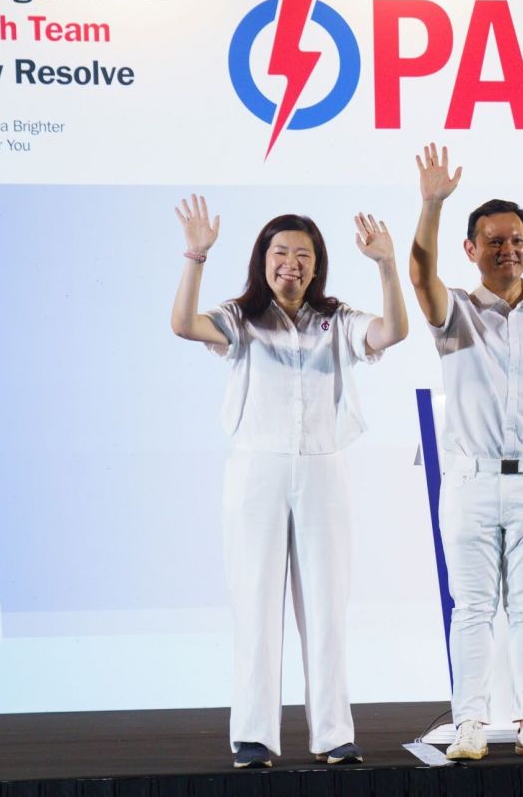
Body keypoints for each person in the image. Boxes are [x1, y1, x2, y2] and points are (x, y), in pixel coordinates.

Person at [170, 196, 409, 768]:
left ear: (317, 264)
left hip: (324, 467)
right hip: (258, 468)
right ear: (263, 259)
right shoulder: (240, 317)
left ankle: (333, 733)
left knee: (327, 605)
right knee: (255, 602)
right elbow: (182, 323)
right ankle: (254, 735)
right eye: (280, 253)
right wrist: (196, 257)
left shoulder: (336, 320)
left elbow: (393, 332)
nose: (291, 264)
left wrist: (385, 265)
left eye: (303, 255)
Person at [408, 145, 523, 760]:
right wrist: (431, 204)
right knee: (475, 607)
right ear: (471, 250)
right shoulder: (453, 312)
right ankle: (469, 725)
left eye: (515, 240)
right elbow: (418, 275)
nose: (505, 250)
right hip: (471, 480)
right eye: (492, 241)